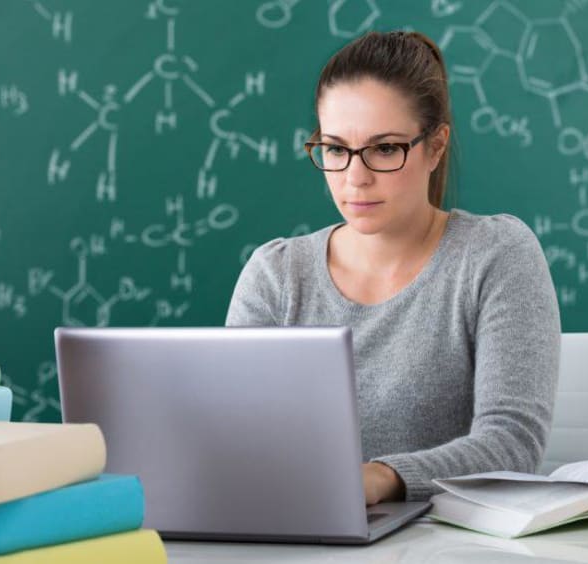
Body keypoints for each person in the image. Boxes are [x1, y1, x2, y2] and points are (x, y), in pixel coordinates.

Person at [226, 31, 560, 505]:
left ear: (436, 146)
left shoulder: (495, 254)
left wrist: (382, 478)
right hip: (299, 536)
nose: (354, 178)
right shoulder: (275, 275)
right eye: (336, 149)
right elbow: (231, 438)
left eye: (384, 149)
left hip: (449, 547)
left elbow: (513, 443)